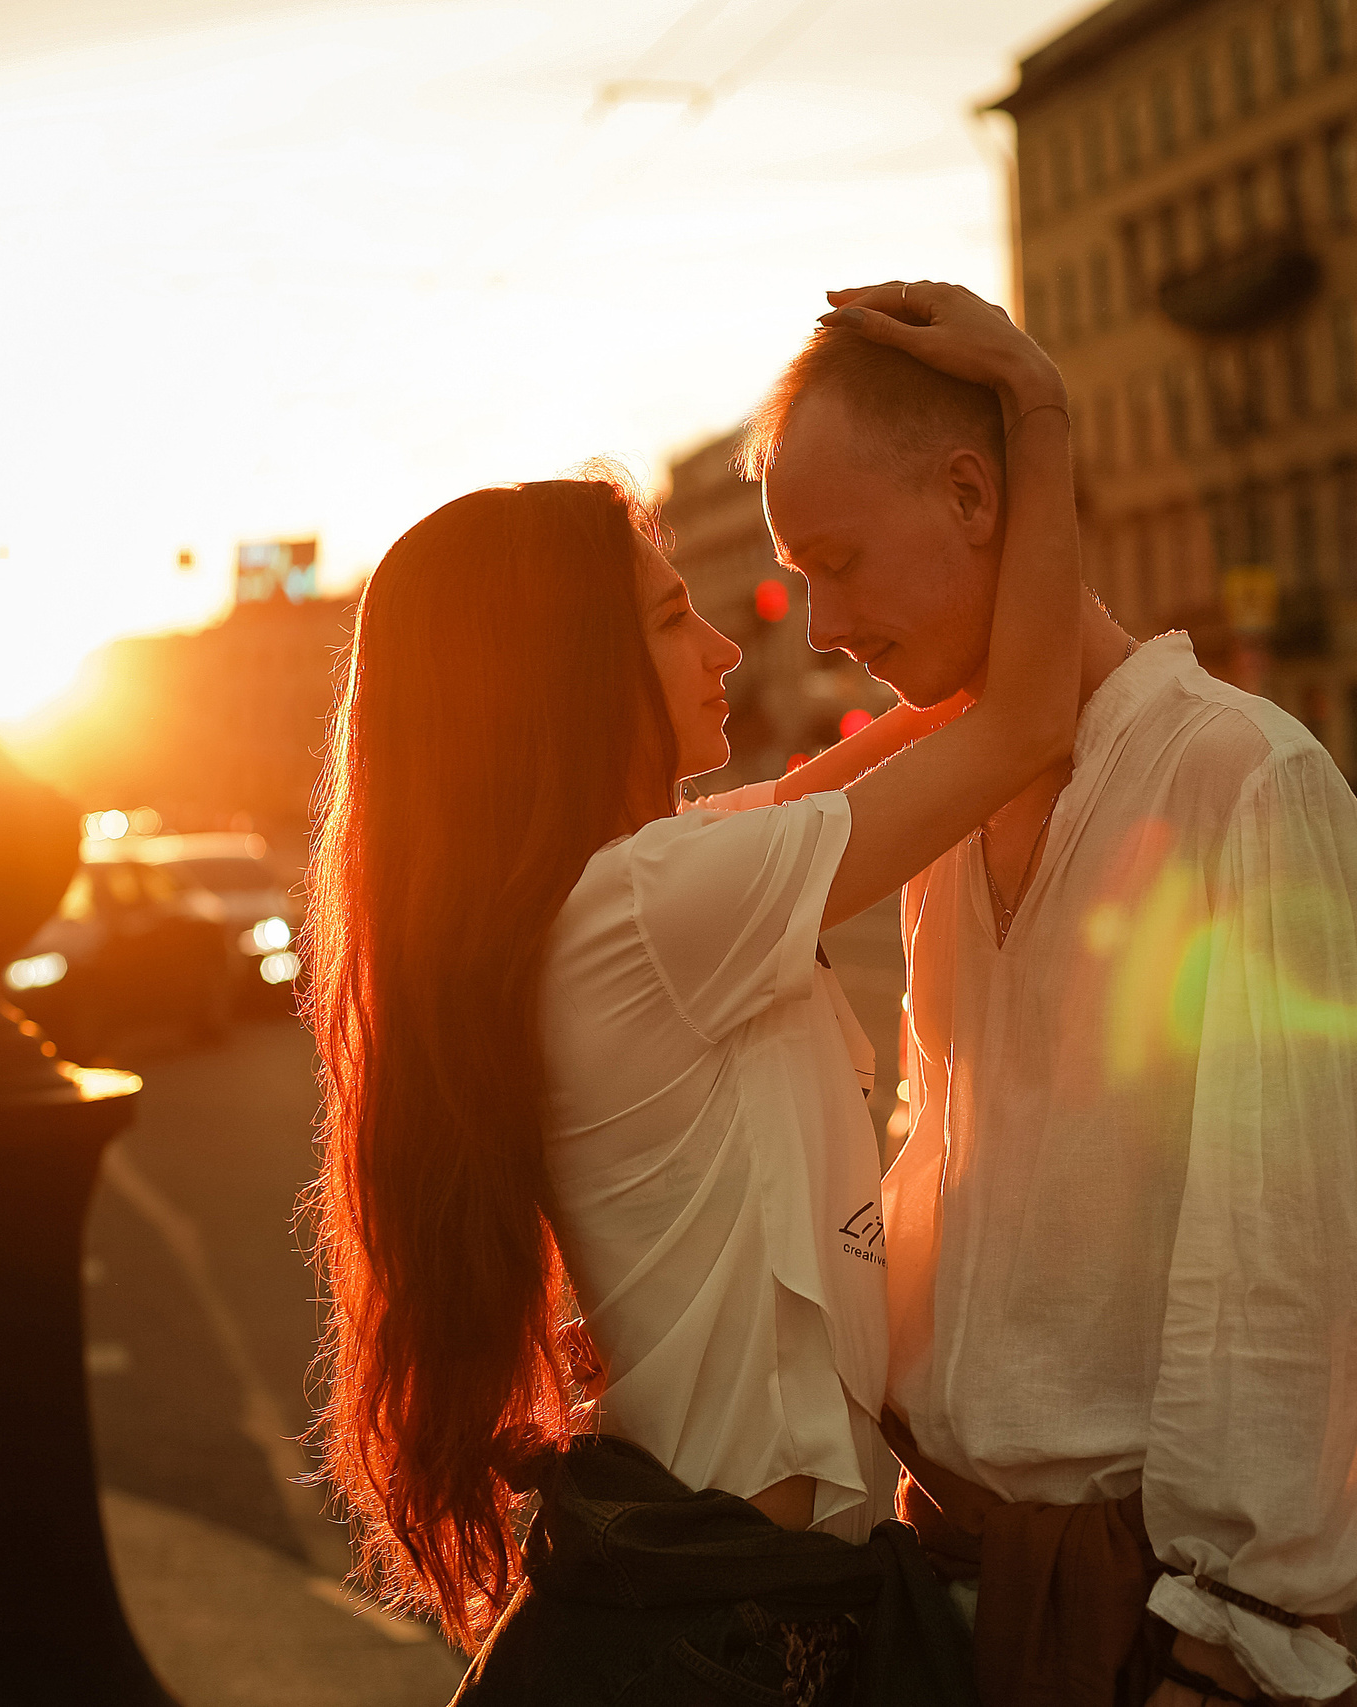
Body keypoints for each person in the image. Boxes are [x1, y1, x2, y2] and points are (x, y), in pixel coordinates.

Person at [306, 281, 1087, 1703]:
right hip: (723, 1638)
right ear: (565, 677)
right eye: (675, 618)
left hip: (714, 1610)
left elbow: (915, 738)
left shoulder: (626, 890)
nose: (727, 647)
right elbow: (1025, 721)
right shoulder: (650, 909)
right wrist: (1032, 412)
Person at [740, 293, 1357, 1707]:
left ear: (970, 494)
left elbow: (1312, 1234)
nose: (823, 627)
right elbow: (955, 1149)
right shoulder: (947, 800)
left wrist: (1229, 1631)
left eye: (837, 561)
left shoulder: (1242, 778)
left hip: (1137, 1611)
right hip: (941, 1549)